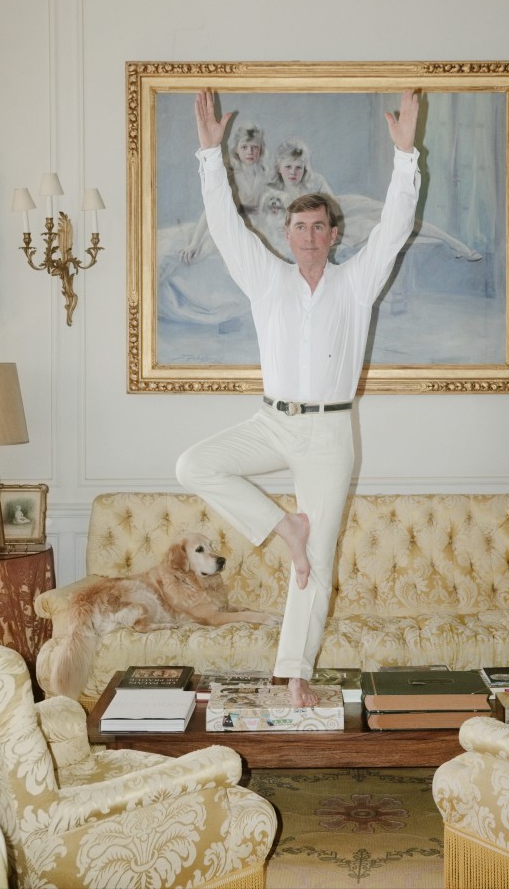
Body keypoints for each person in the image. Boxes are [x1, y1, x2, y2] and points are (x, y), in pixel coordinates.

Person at [176, 88, 420, 708]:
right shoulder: (267, 280)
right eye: (298, 226)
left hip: (330, 436)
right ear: (285, 233)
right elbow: (228, 227)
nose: (307, 236)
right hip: (272, 421)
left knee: (313, 560)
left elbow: (393, 229)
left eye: (318, 227)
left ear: (334, 234)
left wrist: (405, 155)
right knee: (193, 465)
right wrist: (210, 154)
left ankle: (294, 676)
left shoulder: (356, 284)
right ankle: (279, 524)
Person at [180, 120, 270, 264]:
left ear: (261, 150)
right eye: (245, 147)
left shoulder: (264, 174)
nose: (250, 152)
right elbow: (211, 210)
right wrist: (194, 243)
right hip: (233, 228)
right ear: (236, 149)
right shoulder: (231, 176)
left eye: (255, 147)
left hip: (259, 227)